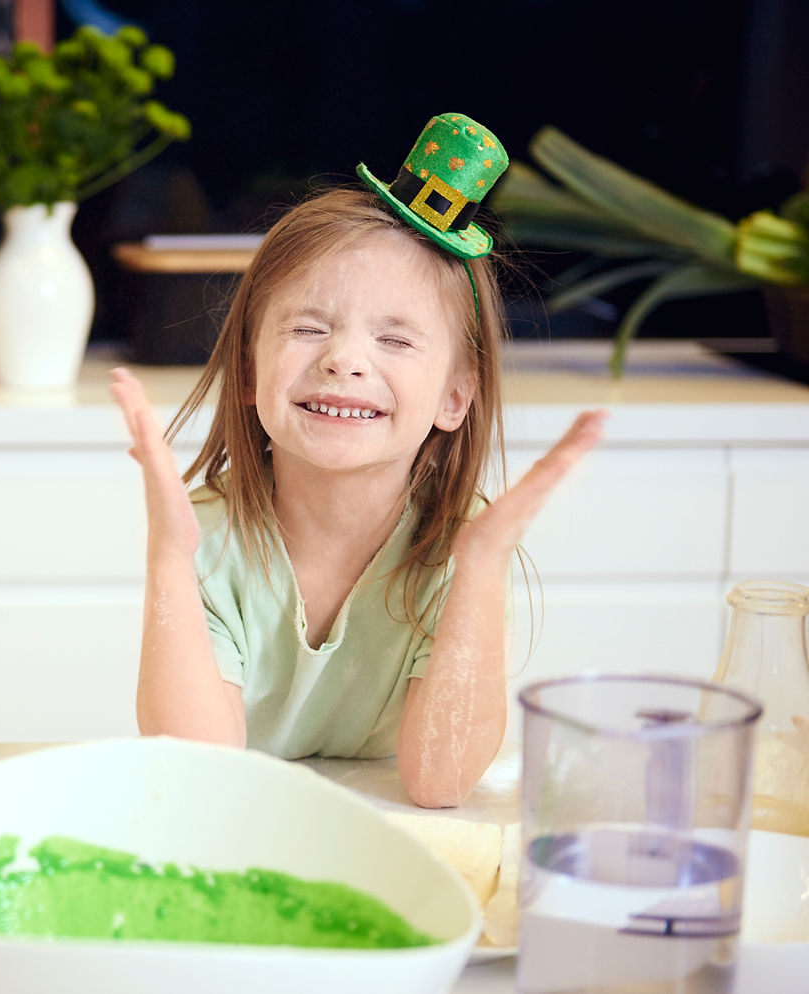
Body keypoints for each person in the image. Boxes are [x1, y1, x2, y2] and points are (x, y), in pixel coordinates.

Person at [110, 113, 606, 808]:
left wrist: (484, 565)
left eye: (396, 341)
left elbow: (437, 783)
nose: (344, 359)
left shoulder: (459, 546)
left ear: (456, 397)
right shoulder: (210, 543)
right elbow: (201, 777)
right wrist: (168, 558)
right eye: (309, 328)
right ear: (249, 373)